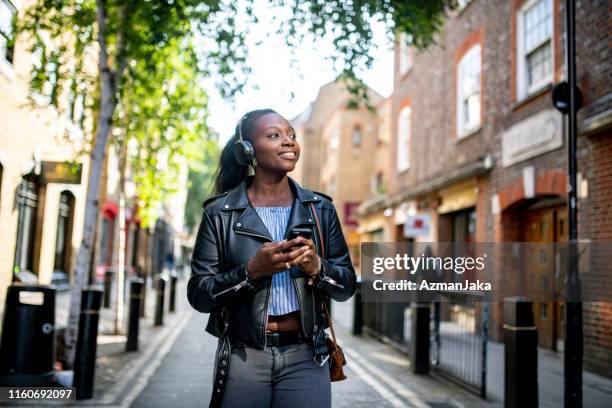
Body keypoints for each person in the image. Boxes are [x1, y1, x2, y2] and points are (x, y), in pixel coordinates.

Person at [187, 108, 356, 408]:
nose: (288, 141)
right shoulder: (219, 214)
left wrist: (318, 268)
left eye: (291, 134)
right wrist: (251, 272)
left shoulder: (321, 210)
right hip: (243, 356)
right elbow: (200, 294)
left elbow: (346, 287)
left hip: (307, 356)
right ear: (247, 150)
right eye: (274, 135)